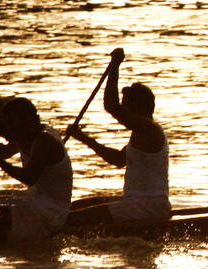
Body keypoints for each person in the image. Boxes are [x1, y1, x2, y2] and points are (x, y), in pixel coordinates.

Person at [0, 49, 72, 242]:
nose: (10, 129)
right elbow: (3, 147)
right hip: (36, 200)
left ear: (29, 119)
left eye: (14, 122)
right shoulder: (26, 133)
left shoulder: (44, 140)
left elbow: (29, 178)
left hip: (49, 213)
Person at [65, 48, 171, 227]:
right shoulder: (140, 133)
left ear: (140, 107)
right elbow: (118, 160)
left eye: (126, 107)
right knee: (75, 207)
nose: (124, 113)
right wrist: (83, 137)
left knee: (74, 219)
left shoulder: (149, 129)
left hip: (148, 206)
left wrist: (115, 66)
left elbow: (111, 105)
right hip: (136, 201)